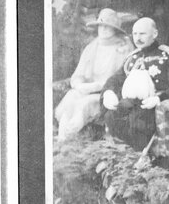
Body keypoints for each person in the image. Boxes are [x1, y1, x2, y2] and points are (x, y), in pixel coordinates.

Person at [100, 17, 169, 149]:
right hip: (129, 104)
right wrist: (108, 92)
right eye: (135, 34)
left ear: (155, 34)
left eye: (142, 34)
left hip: (151, 106)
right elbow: (115, 79)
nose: (137, 38)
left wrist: (158, 99)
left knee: (138, 120)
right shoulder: (132, 57)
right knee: (111, 115)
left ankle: (139, 155)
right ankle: (122, 153)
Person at [54, 8, 131, 140]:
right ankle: (64, 136)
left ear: (115, 29)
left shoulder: (124, 46)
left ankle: (71, 134)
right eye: (101, 26)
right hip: (88, 89)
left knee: (84, 104)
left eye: (108, 27)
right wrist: (80, 85)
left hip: (109, 92)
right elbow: (78, 75)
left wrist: (99, 86)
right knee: (71, 96)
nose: (104, 29)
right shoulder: (92, 47)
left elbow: (125, 77)